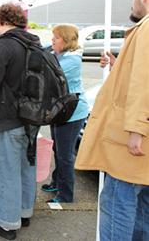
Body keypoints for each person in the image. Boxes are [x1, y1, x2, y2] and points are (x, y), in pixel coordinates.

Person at [75, 0, 149, 240]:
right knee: (142, 208)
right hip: (139, 135)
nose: (132, 0)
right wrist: (120, 66)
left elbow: (144, 83)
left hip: (131, 139)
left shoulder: (147, 29)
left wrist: (136, 129)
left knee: (118, 204)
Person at [0, 3, 41, 240]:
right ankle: (24, 213)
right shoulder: (33, 43)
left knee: (4, 172)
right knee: (25, 167)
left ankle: (7, 224)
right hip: (31, 118)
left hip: (6, 118)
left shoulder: (3, 46)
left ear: (1, 21)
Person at [40, 24, 89, 203]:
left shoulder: (71, 60)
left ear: (67, 41)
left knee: (65, 155)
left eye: (57, 37)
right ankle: (56, 182)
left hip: (72, 112)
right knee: (57, 149)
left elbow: (47, 74)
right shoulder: (59, 53)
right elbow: (43, 47)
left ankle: (66, 195)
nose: (53, 40)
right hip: (60, 110)